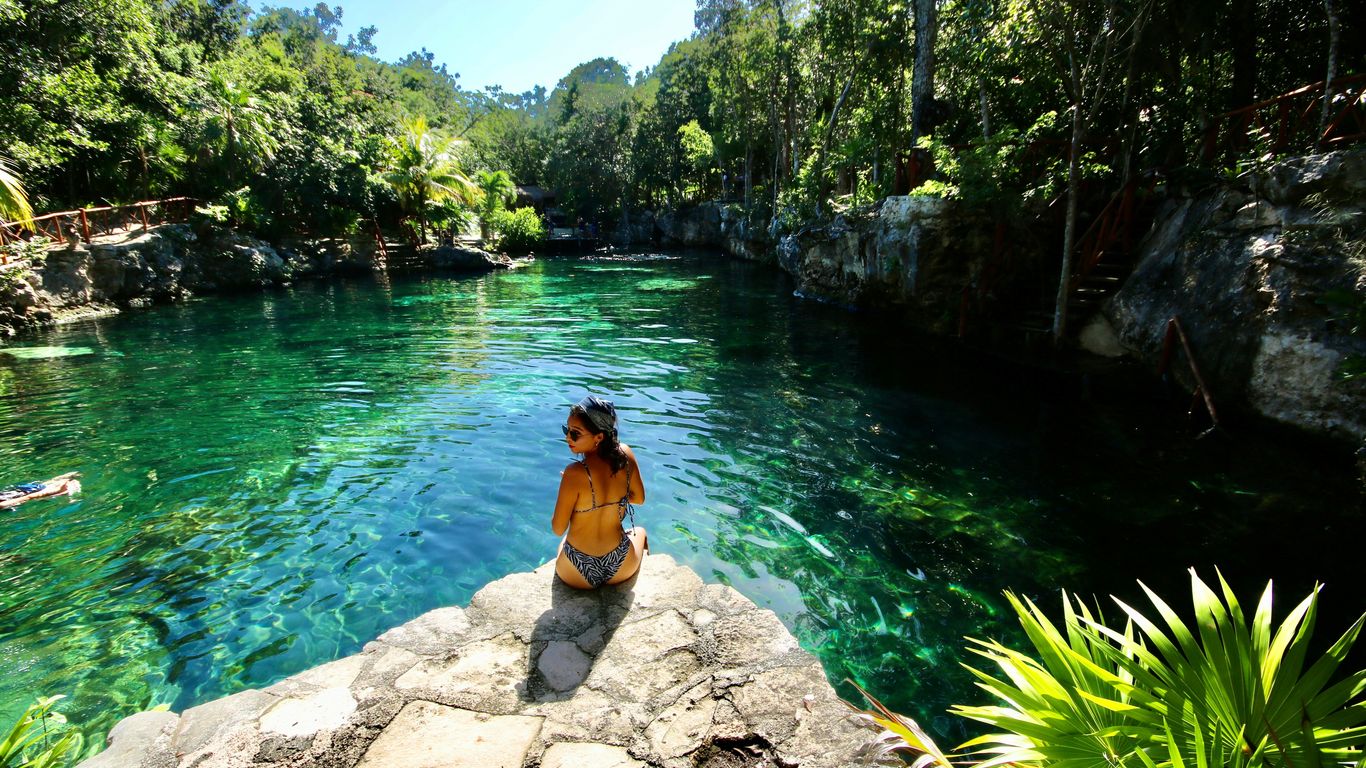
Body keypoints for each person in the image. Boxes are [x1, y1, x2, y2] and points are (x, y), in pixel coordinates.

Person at [551, 395, 647, 588]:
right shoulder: (625, 454)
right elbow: (639, 499)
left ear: (599, 437)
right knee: (640, 532)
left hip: (576, 571)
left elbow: (558, 529)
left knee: (561, 544)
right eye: (567, 430)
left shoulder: (574, 473)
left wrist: (572, 490)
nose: (568, 437)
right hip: (621, 565)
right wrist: (614, 494)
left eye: (575, 433)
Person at [0, 472, 81, 509]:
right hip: (24, 491)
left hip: (21, 491)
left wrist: (56, 491)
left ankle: (56, 482)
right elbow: (28, 497)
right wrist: (56, 491)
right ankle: (56, 482)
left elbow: (28, 497)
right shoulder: (2, 504)